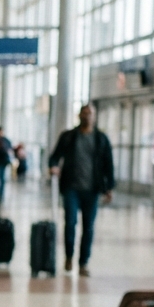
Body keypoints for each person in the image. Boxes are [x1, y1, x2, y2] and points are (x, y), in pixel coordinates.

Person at [48, 104, 115, 276]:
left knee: (88, 226)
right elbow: (55, 156)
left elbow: (108, 164)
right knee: (70, 222)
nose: (87, 116)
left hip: (92, 190)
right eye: (84, 113)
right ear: (79, 115)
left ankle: (83, 262)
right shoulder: (69, 136)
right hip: (71, 187)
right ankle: (69, 257)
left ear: (95, 116)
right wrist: (53, 166)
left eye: (90, 113)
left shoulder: (101, 139)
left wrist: (109, 188)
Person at [0, 126, 14, 200]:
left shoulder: (6, 141)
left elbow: (10, 150)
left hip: (3, 162)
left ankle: (0, 193)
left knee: (2, 177)